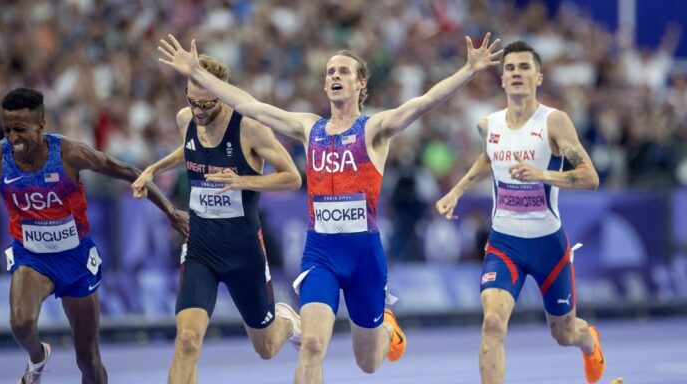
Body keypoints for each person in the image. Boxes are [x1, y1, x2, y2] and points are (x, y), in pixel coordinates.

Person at [157, 32, 502, 383]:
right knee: (311, 343)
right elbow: (248, 105)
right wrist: (198, 74)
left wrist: (469, 70)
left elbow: (424, 102)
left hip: (363, 255)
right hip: (320, 253)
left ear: (360, 84)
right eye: (330, 72)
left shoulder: (375, 130)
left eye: (343, 72)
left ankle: (386, 328)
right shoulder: (310, 127)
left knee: (367, 362)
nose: (334, 76)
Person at [0, 87, 189, 384]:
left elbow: (128, 171)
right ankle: (38, 357)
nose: (13, 138)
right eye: (7, 129)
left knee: (88, 361)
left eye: (21, 130)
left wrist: (171, 212)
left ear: (41, 125)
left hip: (75, 261)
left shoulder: (70, 155)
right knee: (21, 324)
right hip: (32, 256)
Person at [434, 41, 605, 384]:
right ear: (502, 79)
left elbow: (590, 178)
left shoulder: (555, 122)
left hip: (548, 248)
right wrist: (456, 191)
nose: (516, 73)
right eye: (510, 68)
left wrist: (542, 174)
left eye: (524, 67)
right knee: (493, 323)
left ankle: (590, 342)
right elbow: (489, 158)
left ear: (538, 77)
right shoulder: (488, 124)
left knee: (564, 333)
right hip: (504, 244)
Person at [130, 54, 303, 384]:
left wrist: (244, 180)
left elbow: (292, 177)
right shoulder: (187, 119)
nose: (197, 111)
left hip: (244, 252)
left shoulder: (250, 127)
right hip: (200, 250)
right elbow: (190, 152)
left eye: (206, 104)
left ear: (222, 94)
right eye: (192, 102)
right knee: (187, 341)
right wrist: (153, 168)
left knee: (265, 348)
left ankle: (288, 322)